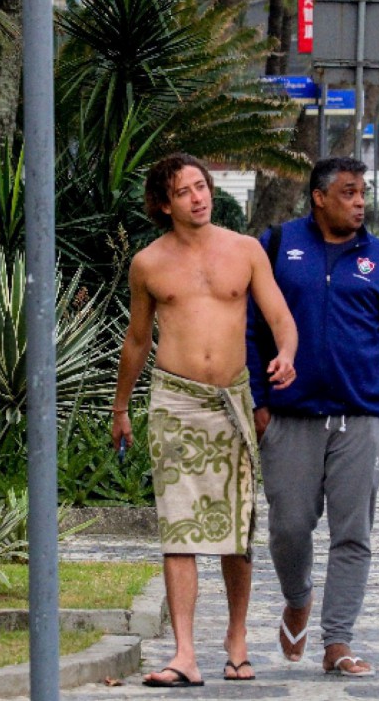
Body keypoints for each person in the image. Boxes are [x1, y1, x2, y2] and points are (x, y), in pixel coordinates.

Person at [112, 153, 298, 687]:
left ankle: (236, 642)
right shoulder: (148, 263)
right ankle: (184, 653)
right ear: (163, 204)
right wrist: (121, 408)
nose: (199, 197)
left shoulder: (245, 252)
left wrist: (286, 353)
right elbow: (138, 340)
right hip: (174, 401)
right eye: (185, 191)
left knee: (237, 531)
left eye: (202, 186)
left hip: (232, 401)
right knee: (179, 527)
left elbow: (280, 317)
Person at [246, 156, 379, 678]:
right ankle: (297, 597)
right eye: (348, 192)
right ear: (319, 197)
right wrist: (259, 400)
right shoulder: (277, 247)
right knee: (289, 527)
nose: (359, 202)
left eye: (362, 192)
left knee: (353, 534)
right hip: (290, 416)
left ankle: (337, 640)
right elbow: (251, 329)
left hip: (360, 418)